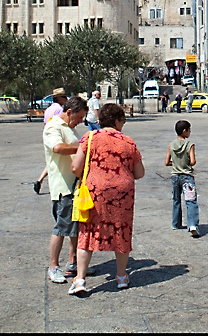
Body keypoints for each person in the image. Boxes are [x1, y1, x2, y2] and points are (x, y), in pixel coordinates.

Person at [68, 103, 145, 295]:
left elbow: (76, 167)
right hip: (122, 195)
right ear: (117, 121)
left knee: (88, 234)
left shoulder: (90, 137)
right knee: (122, 232)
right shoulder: (128, 141)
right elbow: (139, 173)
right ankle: (121, 277)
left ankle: (80, 279)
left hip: (95, 193)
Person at [42, 96, 87, 284]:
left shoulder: (69, 128)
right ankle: (53, 266)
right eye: (79, 117)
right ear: (69, 112)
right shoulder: (53, 127)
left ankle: (72, 263)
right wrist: (81, 151)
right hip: (63, 188)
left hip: (74, 186)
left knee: (74, 227)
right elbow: (58, 147)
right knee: (61, 227)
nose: (80, 122)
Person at [166, 119, 200, 237]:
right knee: (190, 201)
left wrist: (176, 163)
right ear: (184, 131)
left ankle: (176, 223)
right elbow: (193, 161)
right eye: (189, 130)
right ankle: (192, 225)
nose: (190, 132)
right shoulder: (189, 145)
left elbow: (166, 162)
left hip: (175, 176)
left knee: (176, 200)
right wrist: (186, 164)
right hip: (187, 177)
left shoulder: (171, 144)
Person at [33, 88, 69, 194]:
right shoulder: (59, 110)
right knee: (55, 162)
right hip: (57, 137)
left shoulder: (48, 109)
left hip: (48, 136)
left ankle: (40, 180)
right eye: (64, 97)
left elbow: (45, 124)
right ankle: (42, 180)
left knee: (51, 160)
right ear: (59, 99)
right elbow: (60, 124)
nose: (66, 99)